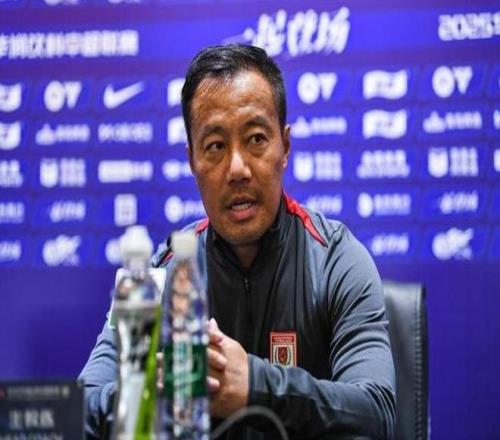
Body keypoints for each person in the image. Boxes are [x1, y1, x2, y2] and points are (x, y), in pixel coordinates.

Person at [79, 44, 396, 439]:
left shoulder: (336, 259)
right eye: (215, 146)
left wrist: (256, 386)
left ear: (285, 147)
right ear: (192, 160)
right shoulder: (159, 272)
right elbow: (83, 405)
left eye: (256, 139)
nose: (237, 168)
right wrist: (149, 391)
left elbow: (377, 412)